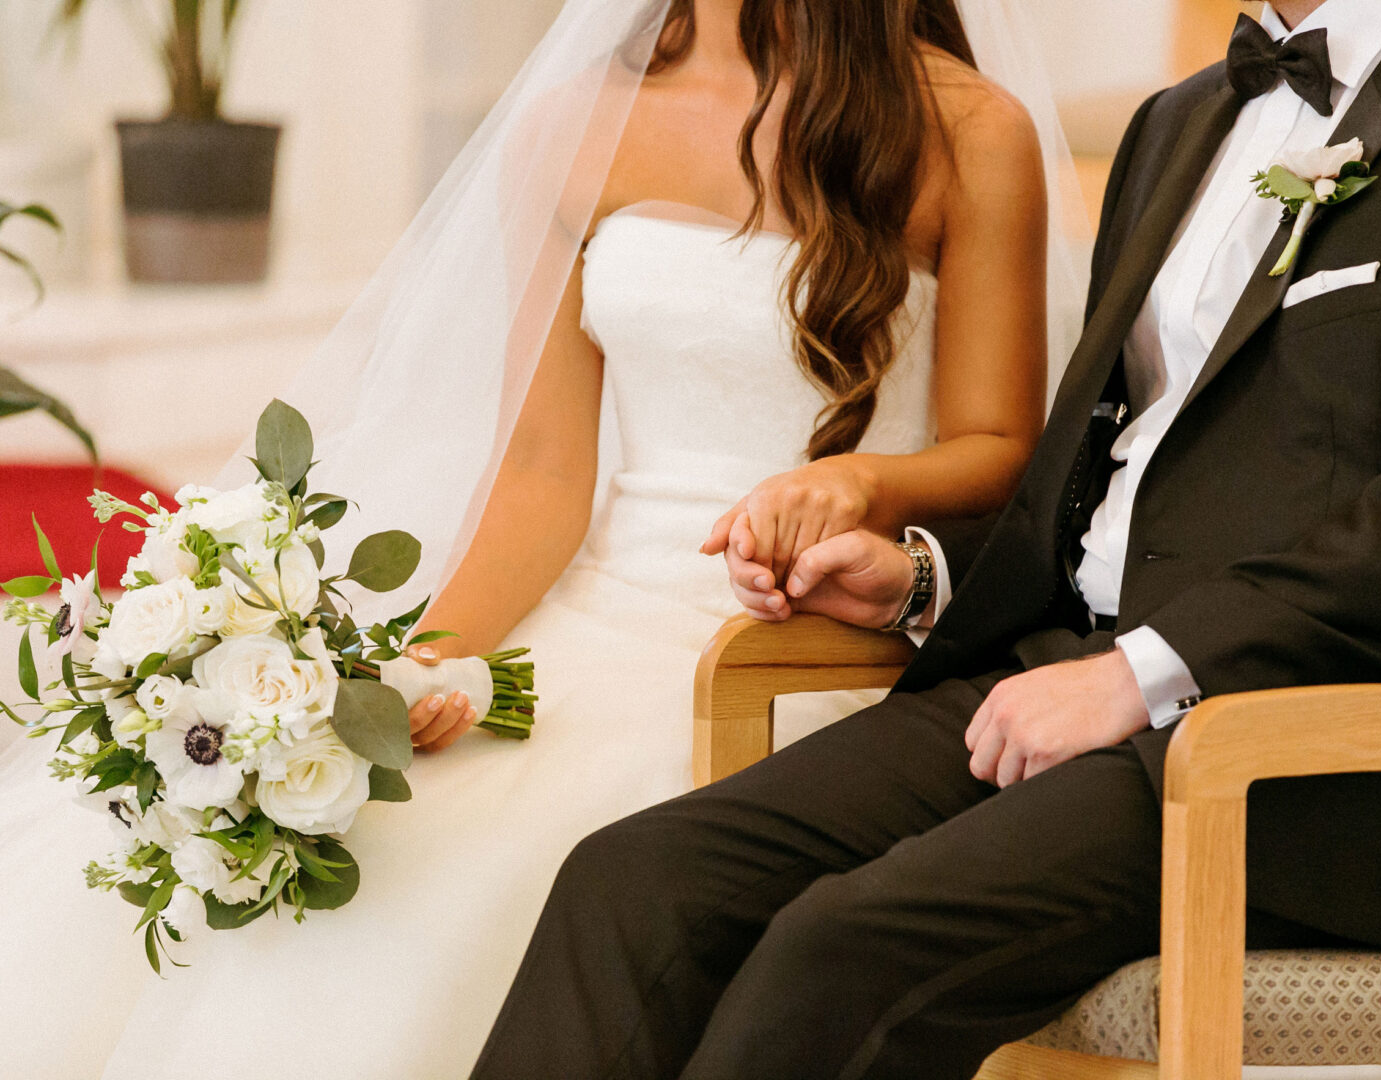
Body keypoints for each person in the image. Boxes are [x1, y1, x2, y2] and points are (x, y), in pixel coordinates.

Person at [472, 1, 1381, 1078]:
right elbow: (1109, 483)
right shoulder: (1181, 124)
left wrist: (1144, 671)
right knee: (635, 880)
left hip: (1317, 751)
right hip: (1065, 678)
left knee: (844, 943)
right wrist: (920, 578)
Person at [0, 2, 1087, 1078]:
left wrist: (857, 482)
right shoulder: (575, 121)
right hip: (596, 614)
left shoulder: (967, 127)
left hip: (801, 641)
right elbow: (543, 479)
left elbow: (998, 448)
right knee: (370, 846)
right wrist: (419, 660)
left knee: (476, 889)